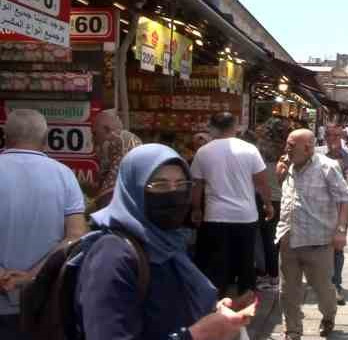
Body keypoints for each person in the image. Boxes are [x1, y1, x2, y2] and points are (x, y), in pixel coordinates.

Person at [76, 143, 254, 340]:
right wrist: (196, 335)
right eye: (160, 185)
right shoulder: (112, 255)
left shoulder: (167, 242)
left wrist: (212, 312)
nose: (173, 194)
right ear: (133, 190)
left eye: (181, 185)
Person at [0, 109, 88, 340]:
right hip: (44, 301)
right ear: (45, 138)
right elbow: (76, 236)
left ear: (5, 135)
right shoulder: (64, 176)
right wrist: (33, 275)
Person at [276, 129, 348, 340]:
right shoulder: (288, 165)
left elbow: (345, 199)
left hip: (318, 241)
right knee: (287, 291)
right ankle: (292, 330)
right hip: (289, 237)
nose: (286, 149)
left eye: (291, 146)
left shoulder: (327, 167)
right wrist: (280, 175)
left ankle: (329, 315)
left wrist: (340, 230)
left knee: (323, 290)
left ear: (308, 148)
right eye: (287, 145)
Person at [191, 112, 274, 297]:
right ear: (235, 126)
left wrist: (196, 209)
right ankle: (247, 302)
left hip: (215, 216)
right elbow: (262, 182)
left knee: (217, 264)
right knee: (246, 262)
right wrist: (268, 204)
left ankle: (217, 304)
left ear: (211, 127)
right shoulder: (250, 149)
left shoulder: (203, 152)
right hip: (246, 216)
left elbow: (196, 185)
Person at [322, 124, 348, 305]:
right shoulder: (318, 154)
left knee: (338, 247)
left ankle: (336, 284)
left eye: (337, 136)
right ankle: (321, 281)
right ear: (325, 136)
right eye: (330, 135)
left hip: (340, 208)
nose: (333, 139)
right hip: (320, 207)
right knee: (320, 247)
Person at [256, 118, 290, 290]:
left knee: (265, 239)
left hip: (264, 198)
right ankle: (276, 275)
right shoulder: (287, 151)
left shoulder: (259, 150)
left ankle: (269, 275)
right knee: (277, 240)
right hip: (283, 198)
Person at [92, 110, 142, 210]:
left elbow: (106, 198)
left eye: (95, 133)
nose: (94, 139)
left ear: (107, 130)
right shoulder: (131, 139)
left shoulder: (112, 140)